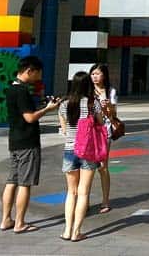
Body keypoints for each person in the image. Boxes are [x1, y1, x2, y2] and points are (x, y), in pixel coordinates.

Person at [0, 56, 60, 233]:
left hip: (15, 141)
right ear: (29, 70)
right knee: (25, 184)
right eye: (38, 73)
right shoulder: (22, 91)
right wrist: (48, 109)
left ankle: (6, 220)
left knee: (12, 181)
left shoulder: (11, 89)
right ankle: (20, 223)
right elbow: (29, 117)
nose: (39, 76)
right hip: (27, 142)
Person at [58, 72, 102, 242]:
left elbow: (64, 129)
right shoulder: (92, 103)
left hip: (70, 150)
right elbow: (99, 123)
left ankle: (67, 230)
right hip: (88, 151)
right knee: (83, 193)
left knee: (71, 192)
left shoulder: (64, 104)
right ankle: (77, 232)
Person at [89, 63, 117, 214]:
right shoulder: (87, 91)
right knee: (86, 166)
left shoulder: (110, 91)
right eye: (93, 74)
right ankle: (83, 198)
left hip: (104, 132)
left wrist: (108, 107)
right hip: (87, 132)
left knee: (102, 167)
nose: (94, 77)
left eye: (97, 74)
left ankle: (105, 200)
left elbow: (113, 114)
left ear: (104, 75)